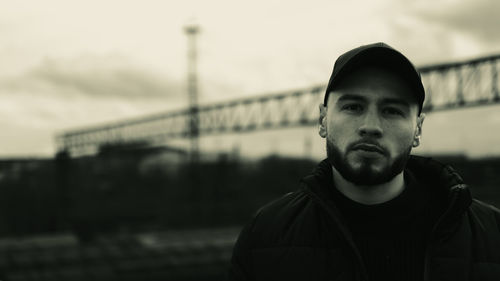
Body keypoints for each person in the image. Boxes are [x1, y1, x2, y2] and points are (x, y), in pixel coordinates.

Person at [228, 42, 500, 281]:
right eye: (353, 107)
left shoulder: (493, 236)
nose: (370, 126)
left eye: (392, 111)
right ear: (323, 119)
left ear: (418, 129)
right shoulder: (263, 235)